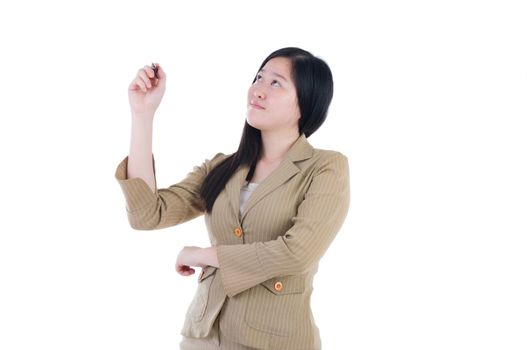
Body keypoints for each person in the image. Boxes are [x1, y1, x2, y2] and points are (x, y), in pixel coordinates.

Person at [114, 47, 350, 350]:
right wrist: (142, 115)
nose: (259, 90)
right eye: (258, 78)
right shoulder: (221, 167)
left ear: (307, 101)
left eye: (276, 83)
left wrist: (203, 256)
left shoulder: (326, 168)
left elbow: (298, 253)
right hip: (203, 337)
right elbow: (147, 214)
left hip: (275, 340)